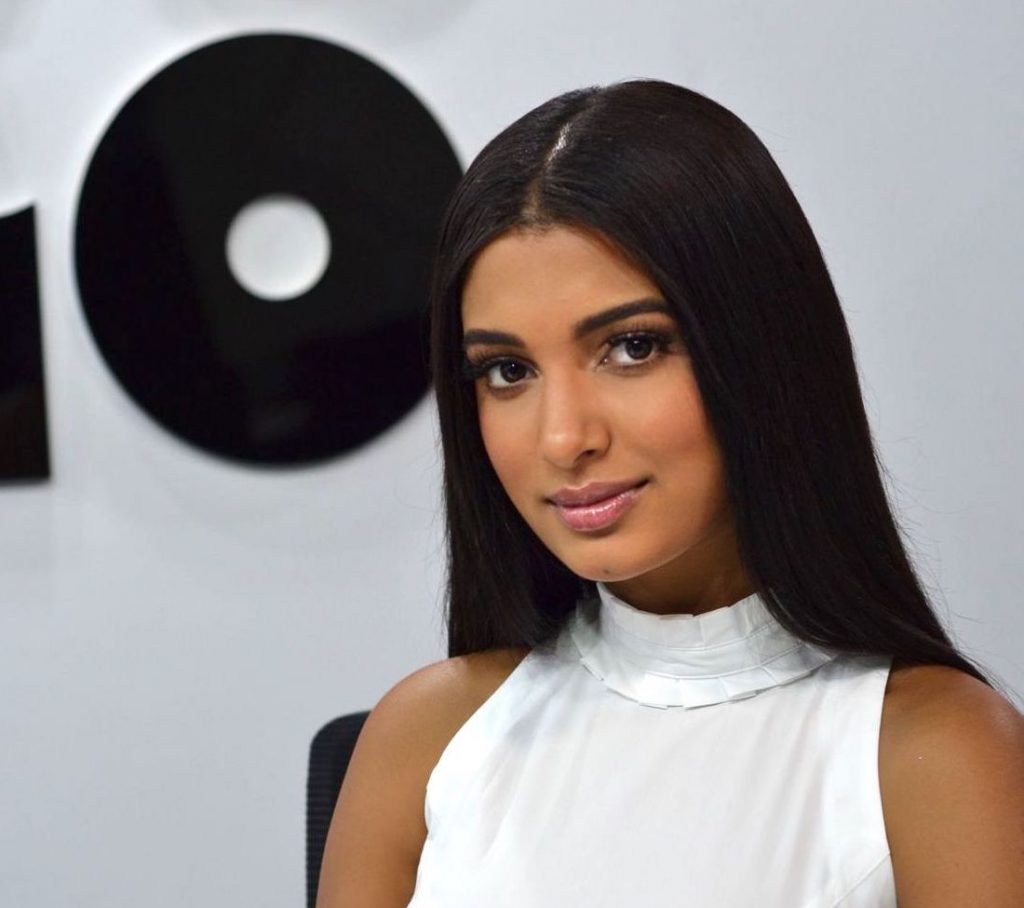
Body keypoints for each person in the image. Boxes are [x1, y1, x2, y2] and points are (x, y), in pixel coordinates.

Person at [316, 80, 1024, 906]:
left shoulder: (934, 755)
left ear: (760, 350)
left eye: (632, 348)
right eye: (507, 370)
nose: (563, 437)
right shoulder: (425, 740)